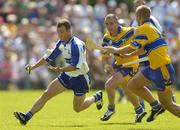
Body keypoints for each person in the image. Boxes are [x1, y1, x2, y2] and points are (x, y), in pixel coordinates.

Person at [14, 19, 103, 125]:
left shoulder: (76, 45)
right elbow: (48, 57)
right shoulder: (61, 43)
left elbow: (75, 67)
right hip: (66, 75)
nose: (59, 34)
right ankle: (26, 117)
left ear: (69, 31)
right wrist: (33, 66)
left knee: (77, 108)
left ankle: (96, 97)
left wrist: (60, 69)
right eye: (58, 32)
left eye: (61, 31)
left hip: (80, 78)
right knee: (46, 94)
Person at [104, 5, 180, 122]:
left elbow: (132, 46)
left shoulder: (143, 28)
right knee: (132, 85)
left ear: (139, 16)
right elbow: (144, 48)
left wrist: (116, 50)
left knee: (168, 104)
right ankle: (155, 106)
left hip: (162, 68)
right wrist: (129, 56)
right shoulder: (150, 27)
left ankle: (159, 106)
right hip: (153, 67)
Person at [100, 14, 146, 123]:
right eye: (107, 24)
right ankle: (139, 110)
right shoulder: (106, 37)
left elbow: (143, 36)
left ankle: (111, 109)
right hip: (118, 66)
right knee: (127, 90)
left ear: (117, 23)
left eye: (111, 23)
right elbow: (104, 56)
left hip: (131, 65)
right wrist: (106, 65)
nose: (109, 26)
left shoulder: (130, 31)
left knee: (109, 85)